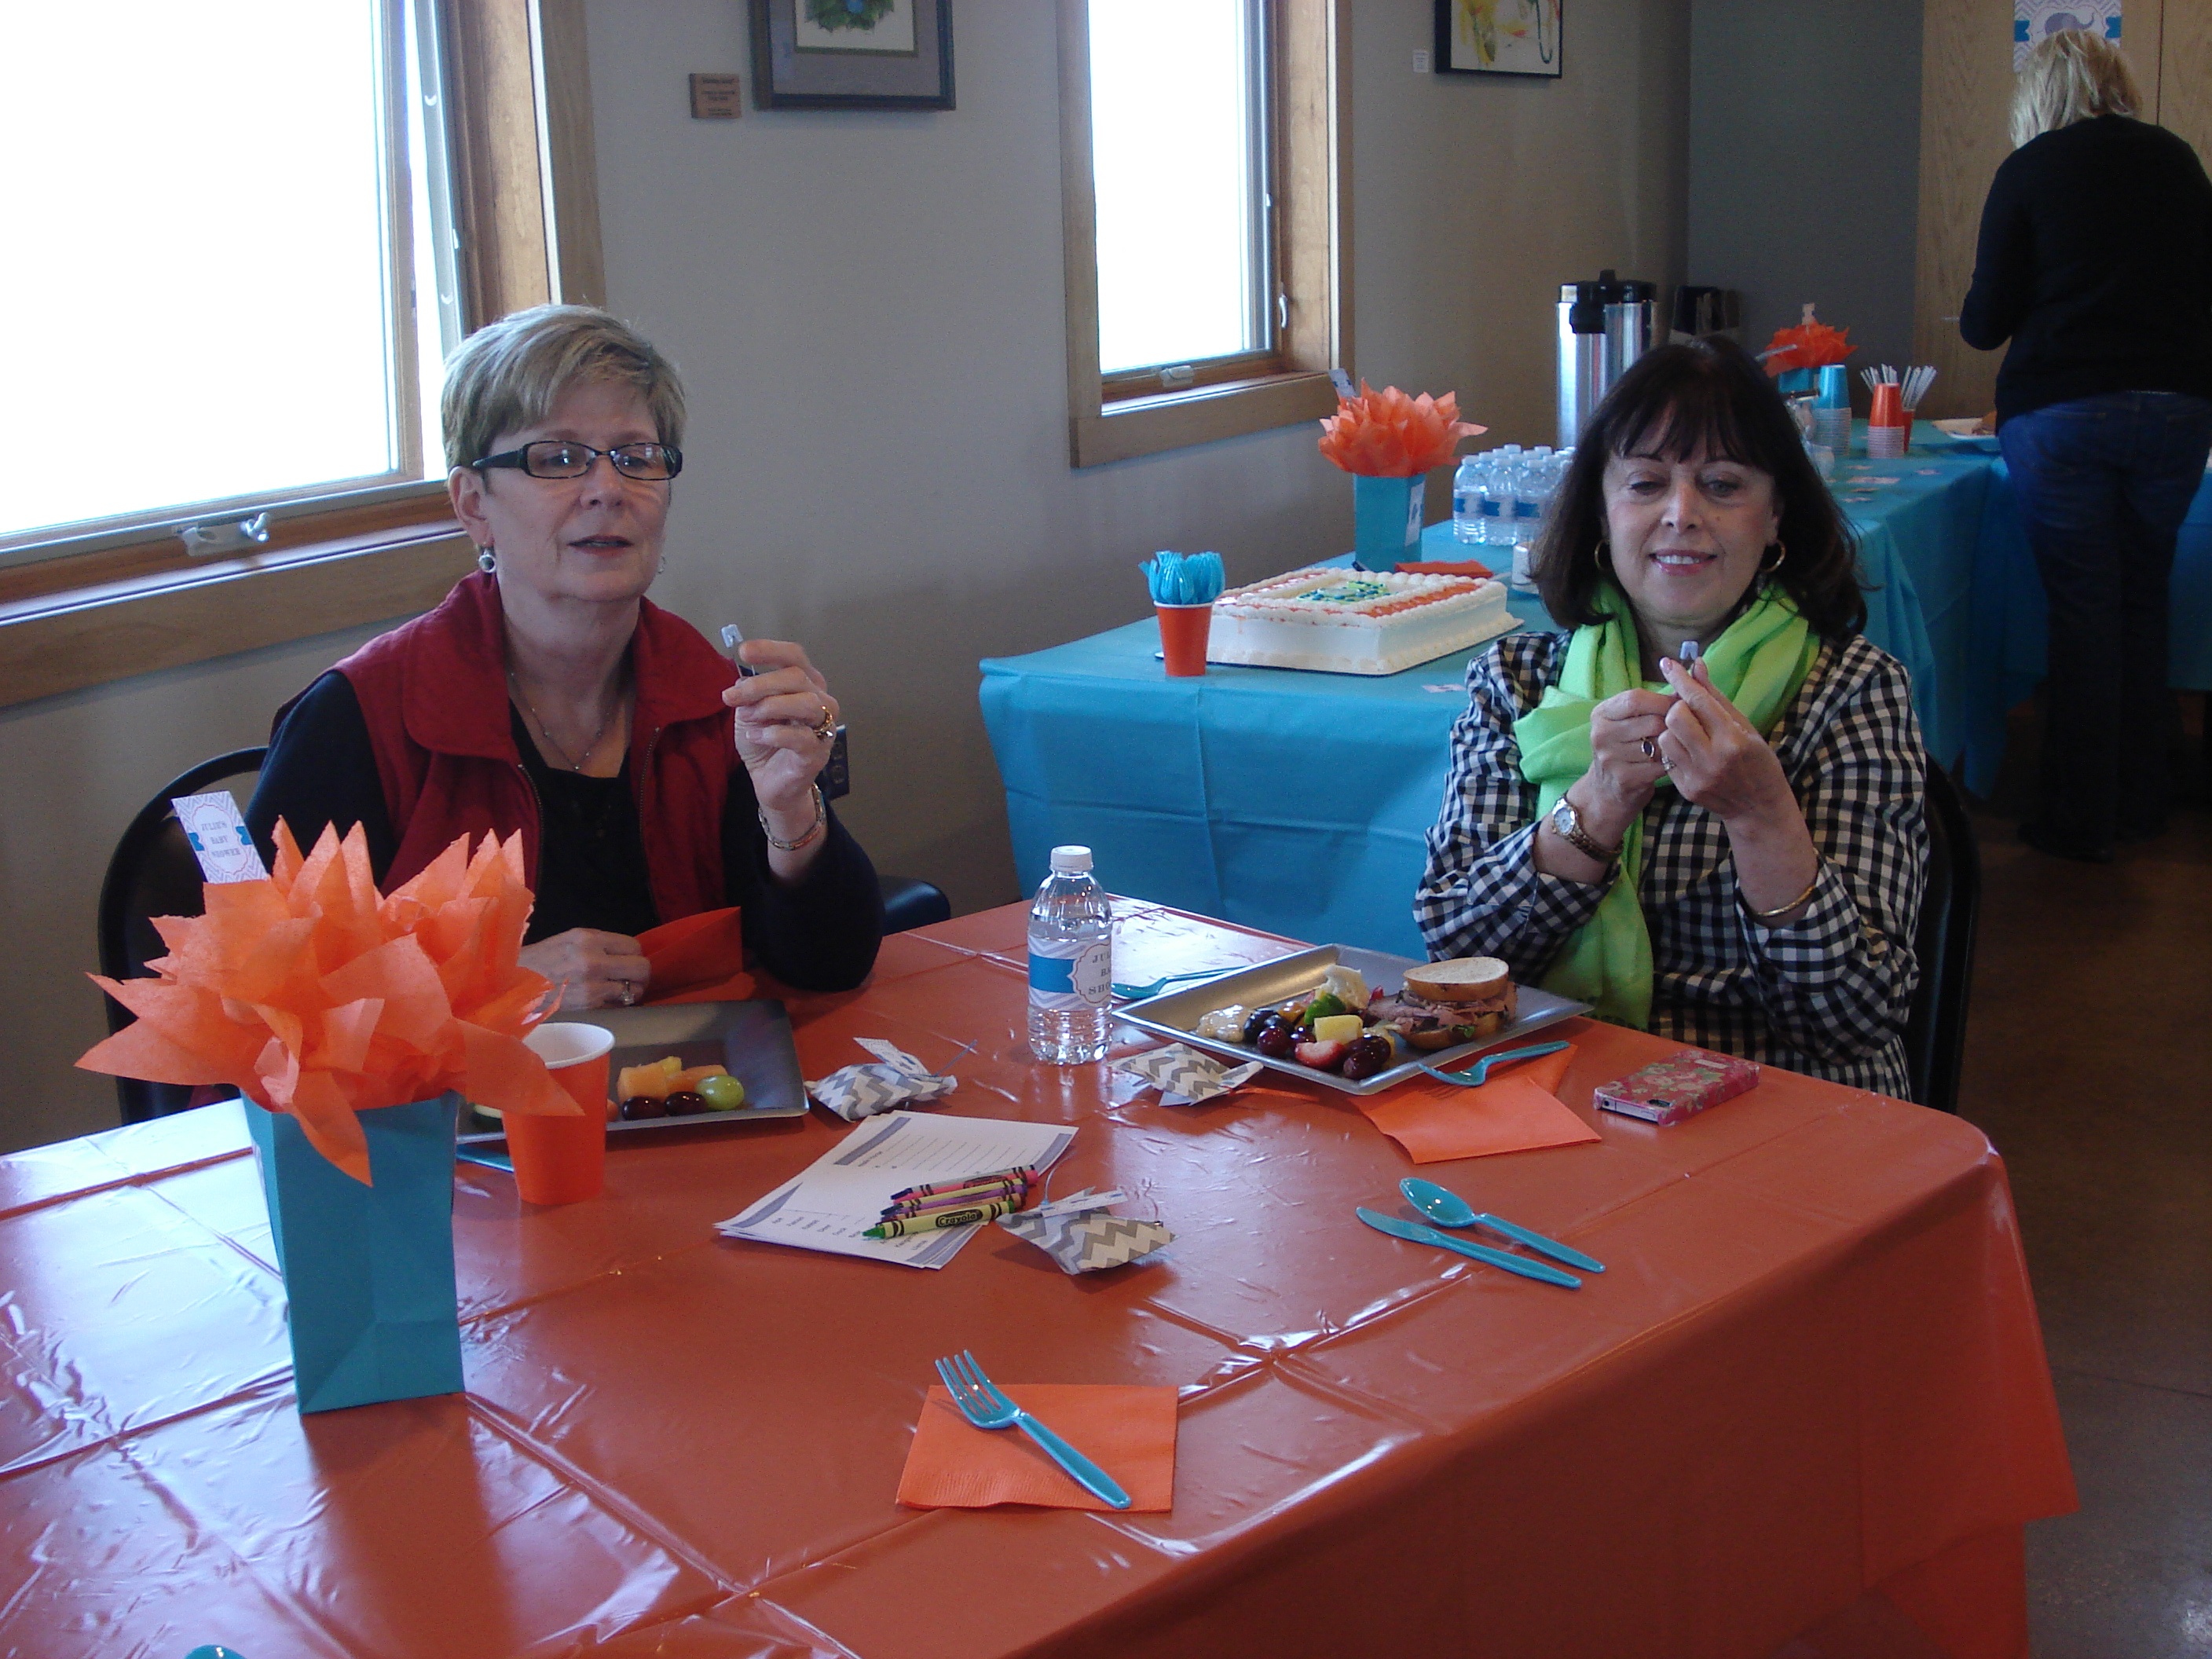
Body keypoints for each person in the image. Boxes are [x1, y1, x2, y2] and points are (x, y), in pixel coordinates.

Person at [247, 305, 882, 1005]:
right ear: (473, 505)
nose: (608, 490)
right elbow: (254, 998)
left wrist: (793, 811)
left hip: (694, 1070)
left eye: (636, 458)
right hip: (467, 1080)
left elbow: (829, 966)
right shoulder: (357, 718)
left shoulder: (712, 695)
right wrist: (494, 988)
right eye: (556, 459)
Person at [1415, 337, 1927, 1098]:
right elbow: (1455, 962)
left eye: (1722, 485)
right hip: (1558, 1087)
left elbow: (1852, 1018)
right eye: (1646, 484)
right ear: (1601, 510)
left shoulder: (1853, 689)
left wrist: (1761, 816)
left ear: (1776, 514)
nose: (1681, 514)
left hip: (1778, 1101)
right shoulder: (1516, 682)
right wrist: (1596, 804)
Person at [1960, 29, 2212, 862]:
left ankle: (2079, 817)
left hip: (2062, 410)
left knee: (2082, 610)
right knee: (2142, 597)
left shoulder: (2029, 170)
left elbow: (1983, 322)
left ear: (2037, 96)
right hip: (2178, 407)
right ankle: (2144, 796)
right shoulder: (2177, 161)